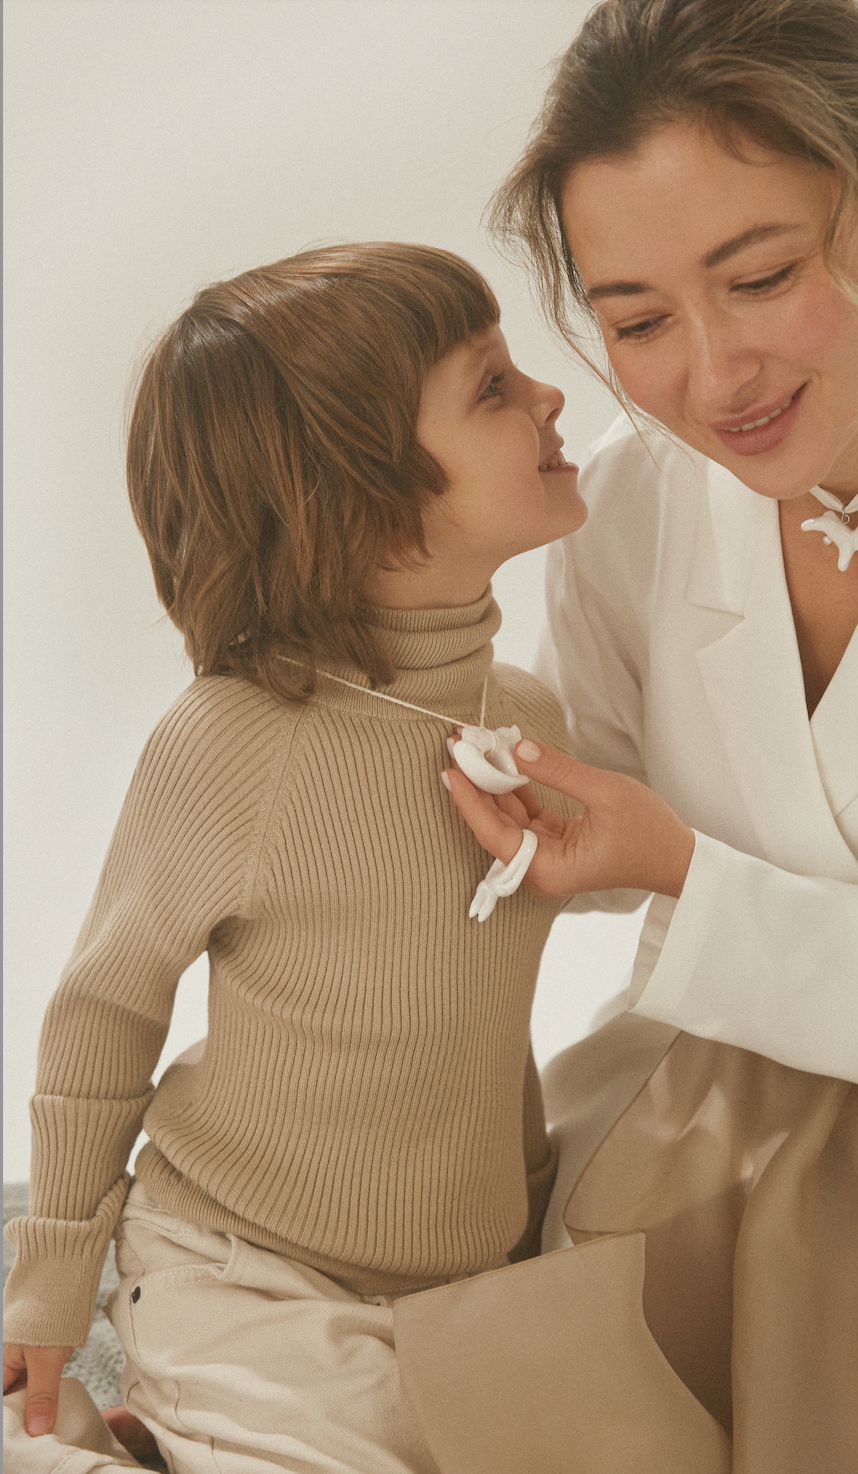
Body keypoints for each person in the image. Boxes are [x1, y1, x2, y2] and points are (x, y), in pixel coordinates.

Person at [430, 1, 858, 1469]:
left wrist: (685, 866)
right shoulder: (630, 505)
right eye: (635, 322)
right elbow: (606, 840)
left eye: (758, 278)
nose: (713, 374)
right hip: (732, 1094)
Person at [2, 240, 589, 1473]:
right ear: (365, 507)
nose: (550, 396)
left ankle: (169, 1443)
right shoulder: (235, 739)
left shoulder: (523, 709)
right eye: (491, 387)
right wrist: (49, 1287)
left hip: (473, 1273)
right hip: (247, 1267)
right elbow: (107, 1008)